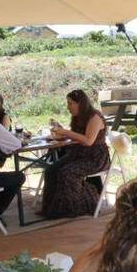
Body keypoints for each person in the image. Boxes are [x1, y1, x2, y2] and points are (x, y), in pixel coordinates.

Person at [41, 90, 110, 219]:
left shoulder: (95, 117)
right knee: (51, 171)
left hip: (95, 158)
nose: (68, 107)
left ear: (81, 104)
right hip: (78, 154)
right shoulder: (78, 117)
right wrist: (60, 135)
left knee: (67, 173)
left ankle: (84, 203)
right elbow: (76, 138)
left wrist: (66, 132)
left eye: (70, 103)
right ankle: (53, 208)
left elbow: (88, 141)